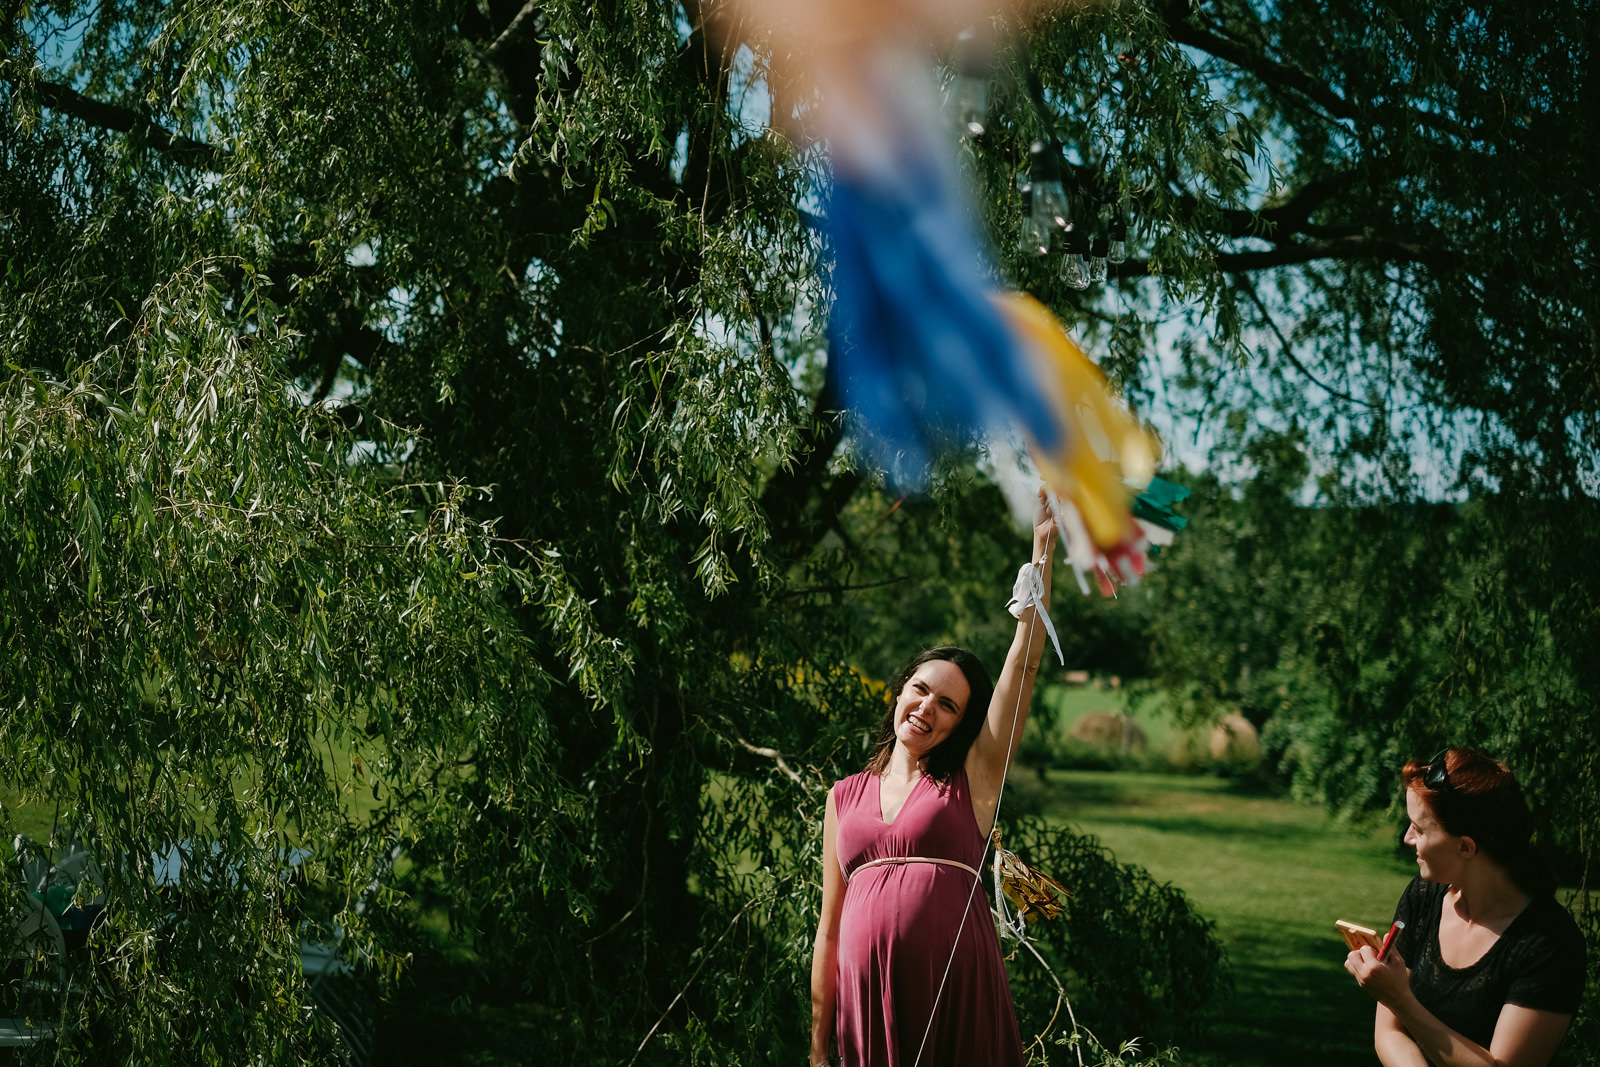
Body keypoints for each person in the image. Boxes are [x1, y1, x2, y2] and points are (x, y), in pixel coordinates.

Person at [808, 496, 1056, 1067]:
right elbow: (828, 930)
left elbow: (1025, 668)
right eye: (920, 690)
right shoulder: (843, 797)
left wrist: (1041, 553)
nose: (926, 708)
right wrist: (818, 1048)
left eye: (948, 705)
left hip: (955, 993)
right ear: (899, 691)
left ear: (962, 723)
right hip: (867, 1006)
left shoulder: (973, 778)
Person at [1345, 747, 1587, 1067]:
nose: (1407, 839)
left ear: (1465, 847)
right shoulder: (1423, 896)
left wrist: (1400, 999)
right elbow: (1389, 1033)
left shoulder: (1549, 945)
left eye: (1419, 829)